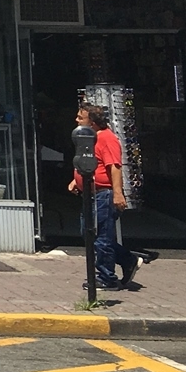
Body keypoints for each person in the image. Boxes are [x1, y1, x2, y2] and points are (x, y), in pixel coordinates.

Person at [69, 104, 138, 290]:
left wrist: (117, 193)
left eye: (80, 117)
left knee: (102, 238)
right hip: (89, 194)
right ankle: (128, 259)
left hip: (104, 194)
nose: (76, 120)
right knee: (88, 233)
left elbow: (113, 166)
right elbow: (89, 163)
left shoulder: (107, 139)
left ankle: (107, 278)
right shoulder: (88, 138)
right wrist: (77, 181)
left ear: (92, 121)